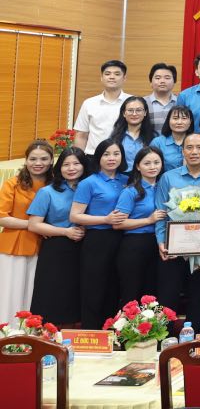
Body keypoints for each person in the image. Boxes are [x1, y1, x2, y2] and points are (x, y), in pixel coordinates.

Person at [155, 133, 200, 337]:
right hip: (174, 246)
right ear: (182, 151)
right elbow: (161, 213)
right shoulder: (169, 177)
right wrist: (161, 242)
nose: (194, 152)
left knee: (198, 294)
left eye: (199, 147)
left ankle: (193, 338)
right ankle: (163, 339)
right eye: (190, 147)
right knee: (168, 295)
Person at [71, 139, 128, 328]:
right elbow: (76, 216)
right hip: (97, 240)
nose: (111, 158)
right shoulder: (89, 182)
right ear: (98, 157)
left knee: (115, 287)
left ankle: (113, 332)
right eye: (106, 154)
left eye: (116, 154)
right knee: (94, 288)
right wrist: (105, 219)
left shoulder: (127, 180)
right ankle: (92, 331)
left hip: (122, 238)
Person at [28, 148, 88, 326]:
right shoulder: (47, 192)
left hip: (84, 248)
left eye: (76, 163)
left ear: (84, 166)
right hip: (56, 248)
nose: (71, 168)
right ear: (59, 167)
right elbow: (34, 224)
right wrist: (66, 232)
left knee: (77, 296)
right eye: (66, 164)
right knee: (53, 296)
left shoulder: (90, 187)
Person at [0, 140, 53, 317]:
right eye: (33, 159)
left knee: (33, 293)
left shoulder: (56, 185)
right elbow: (2, 217)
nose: (38, 163)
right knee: (9, 293)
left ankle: (29, 335)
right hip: (14, 245)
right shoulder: (12, 184)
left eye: (44, 159)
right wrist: (34, 226)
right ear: (26, 160)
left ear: (52, 161)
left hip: (45, 247)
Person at [113, 145, 166, 306]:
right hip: (135, 245)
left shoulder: (164, 188)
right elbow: (118, 224)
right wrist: (148, 220)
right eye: (147, 163)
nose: (152, 167)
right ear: (137, 166)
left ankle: (152, 330)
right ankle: (129, 330)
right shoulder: (130, 191)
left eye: (156, 163)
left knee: (153, 294)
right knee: (133, 292)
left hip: (158, 244)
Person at [73, 59, 129, 154]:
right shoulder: (89, 103)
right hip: (93, 156)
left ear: (124, 78)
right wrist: (79, 159)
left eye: (117, 74)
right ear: (101, 78)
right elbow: (81, 135)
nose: (112, 77)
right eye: (107, 74)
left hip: (124, 157)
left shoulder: (133, 102)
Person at [144, 62, 178, 135]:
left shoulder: (181, 101)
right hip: (149, 145)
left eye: (167, 78)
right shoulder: (143, 103)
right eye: (158, 78)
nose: (162, 81)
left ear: (174, 82)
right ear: (151, 82)